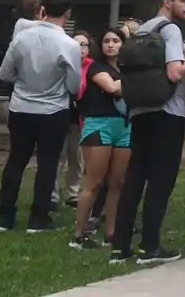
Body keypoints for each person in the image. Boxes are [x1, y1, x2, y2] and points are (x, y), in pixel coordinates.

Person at [110, 0, 185, 266]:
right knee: (161, 180)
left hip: (139, 111)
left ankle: (120, 247)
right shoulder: (170, 30)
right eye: (184, 0)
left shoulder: (142, 30)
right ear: (168, 2)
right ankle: (150, 246)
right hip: (167, 112)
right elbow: (174, 73)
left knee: (135, 176)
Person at [0, 0, 80, 233]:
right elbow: (73, 84)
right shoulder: (69, 44)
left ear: (43, 9)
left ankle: (5, 217)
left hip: (21, 106)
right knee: (48, 163)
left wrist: (23, 83)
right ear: (68, 13)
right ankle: (39, 218)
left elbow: (5, 73)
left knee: (16, 160)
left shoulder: (22, 38)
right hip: (53, 110)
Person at [70, 28, 131, 249]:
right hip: (99, 125)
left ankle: (111, 233)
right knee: (94, 182)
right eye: (106, 41)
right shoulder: (96, 67)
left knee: (117, 183)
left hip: (125, 126)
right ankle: (79, 235)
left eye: (116, 40)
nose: (111, 45)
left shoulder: (127, 68)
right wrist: (140, 82)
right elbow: (113, 87)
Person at [54, 31, 91, 210]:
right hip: (60, 115)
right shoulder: (61, 64)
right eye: (76, 44)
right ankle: (51, 194)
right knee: (57, 156)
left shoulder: (92, 67)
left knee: (76, 157)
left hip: (81, 119)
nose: (80, 48)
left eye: (84, 45)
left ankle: (73, 193)